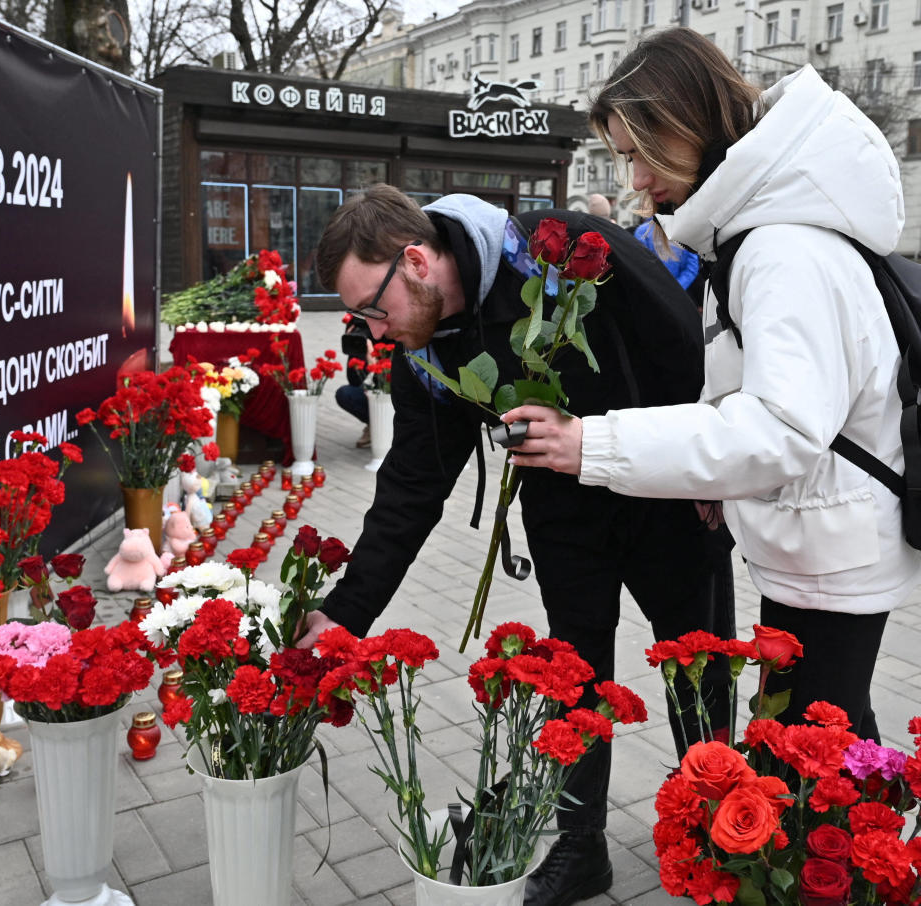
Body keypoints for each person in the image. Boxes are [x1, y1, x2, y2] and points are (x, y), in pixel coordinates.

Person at [300, 183, 736, 906]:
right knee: (576, 677)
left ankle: (719, 827)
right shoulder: (426, 347)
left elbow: (682, 341)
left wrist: (711, 461)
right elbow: (411, 485)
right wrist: (345, 614)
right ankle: (580, 846)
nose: (373, 333)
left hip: (669, 495)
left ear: (414, 260)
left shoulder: (558, 250)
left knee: (698, 664)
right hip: (566, 513)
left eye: (373, 309)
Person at [503, 28, 921, 747]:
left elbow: (780, 429)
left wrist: (589, 444)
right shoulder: (761, 230)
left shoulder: (780, 247)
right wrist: (712, 479)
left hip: (829, 552)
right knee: (836, 754)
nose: (634, 178)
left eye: (637, 153)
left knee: (812, 774)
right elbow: (752, 392)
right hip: (819, 539)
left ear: (684, 124)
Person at [336, 315, 371, 447]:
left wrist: (374, 360)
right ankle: (374, 424)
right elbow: (353, 380)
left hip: (390, 390)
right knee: (345, 394)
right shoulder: (358, 318)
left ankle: (388, 425)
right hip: (366, 387)